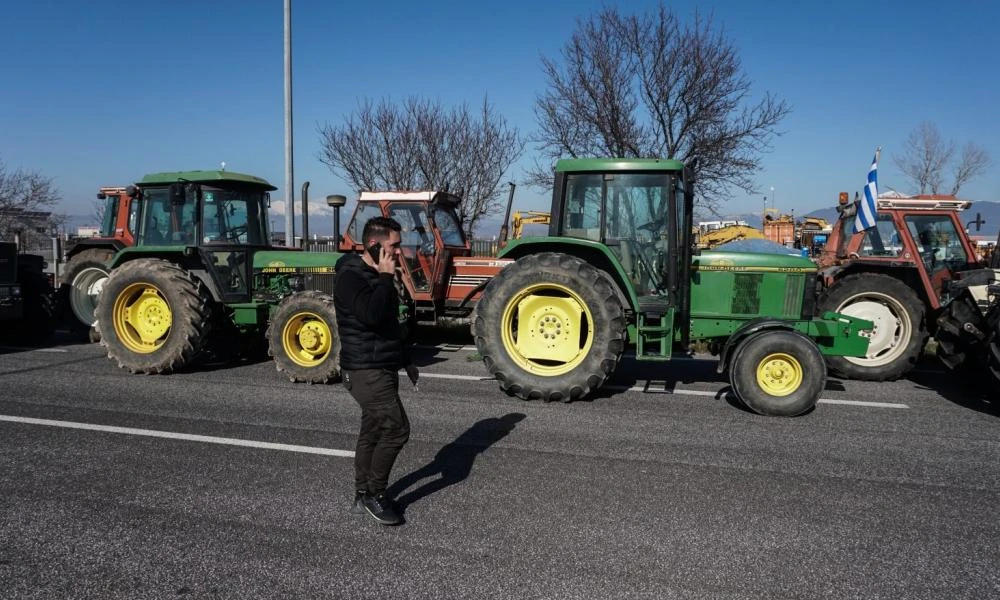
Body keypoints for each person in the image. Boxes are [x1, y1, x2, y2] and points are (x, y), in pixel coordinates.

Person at [333, 216, 418, 526]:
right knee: (397, 430)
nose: (399, 251)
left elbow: (388, 322)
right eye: (394, 246)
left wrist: (406, 359)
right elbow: (370, 315)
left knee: (372, 430)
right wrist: (385, 277)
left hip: (381, 365)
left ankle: (361, 494)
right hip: (363, 370)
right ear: (373, 245)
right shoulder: (351, 277)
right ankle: (376, 495)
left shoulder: (377, 275)